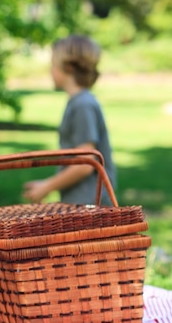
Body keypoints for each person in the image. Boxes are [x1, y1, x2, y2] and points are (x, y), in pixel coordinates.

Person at [23, 35, 117, 205]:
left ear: (68, 67)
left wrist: (47, 186)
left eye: (52, 65)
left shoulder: (83, 105)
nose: (50, 70)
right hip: (82, 201)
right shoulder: (78, 102)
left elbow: (85, 164)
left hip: (89, 205)